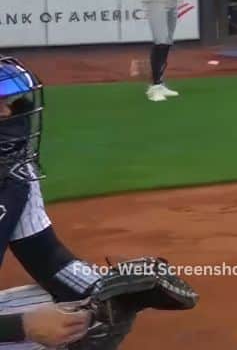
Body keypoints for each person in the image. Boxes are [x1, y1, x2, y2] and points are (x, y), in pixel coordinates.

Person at [0, 57, 199, 348]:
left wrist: (104, 292)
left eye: (8, 102)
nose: (9, 114)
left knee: (81, 312)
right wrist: (21, 327)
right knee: (39, 326)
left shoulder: (14, 174)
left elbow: (46, 256)